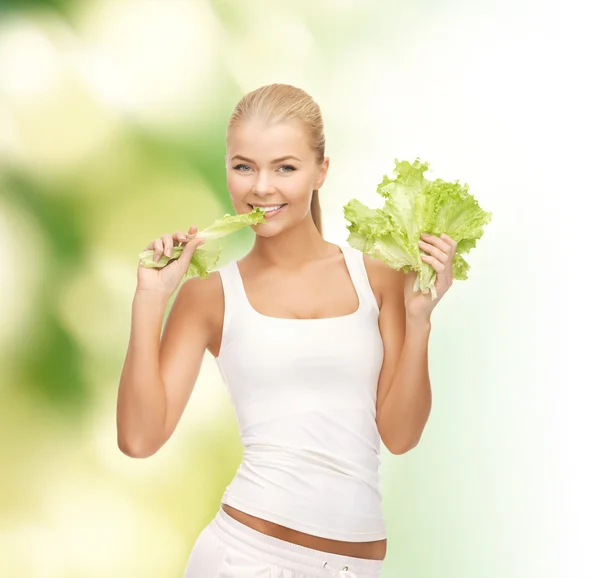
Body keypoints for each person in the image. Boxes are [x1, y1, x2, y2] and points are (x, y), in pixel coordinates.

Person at [116, 84, 457, 578]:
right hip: (243, 557)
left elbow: (400, 435)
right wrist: (150, 300)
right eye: (244, 166)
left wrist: (421, 319)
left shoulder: (380, 279)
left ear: (321, 171)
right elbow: (139, 439)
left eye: (286, 167)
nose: (261, 188)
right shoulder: (208, 297)